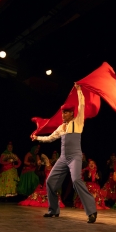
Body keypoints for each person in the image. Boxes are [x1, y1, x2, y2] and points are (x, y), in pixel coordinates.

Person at [31, 84, 97, 223]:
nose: (63, 115)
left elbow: (82, 105)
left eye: (66, 112)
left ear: (72, 114)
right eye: (62, 113)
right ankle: (53, 210)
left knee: (76, 180)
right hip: (63, 158)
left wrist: (79, 90)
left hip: (75, 157)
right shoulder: (61, 127)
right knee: (50, 182)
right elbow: (49, 138)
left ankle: (91, 211)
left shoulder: (78, 122)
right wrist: (37, 138)